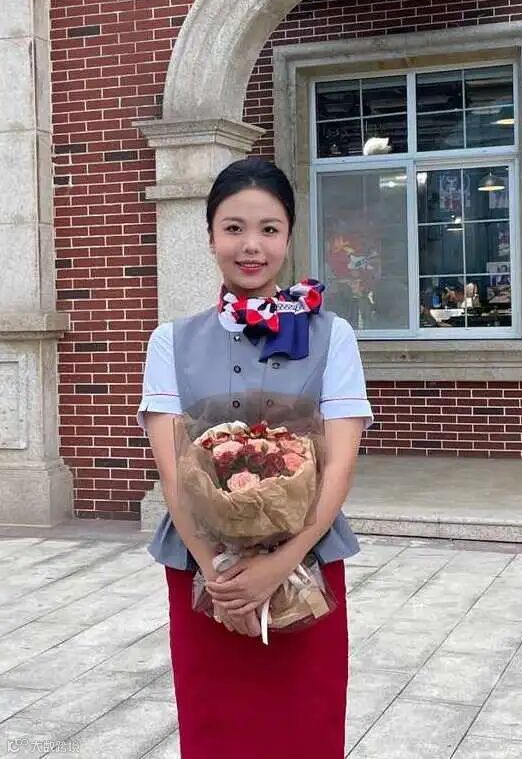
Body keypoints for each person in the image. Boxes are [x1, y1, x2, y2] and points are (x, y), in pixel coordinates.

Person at [136, 157, 373, 758]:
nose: (251, 245)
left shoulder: (332, 335)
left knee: (306, 725)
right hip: (201, 571)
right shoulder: (170, 342)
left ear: (288, 237)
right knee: (216, 726)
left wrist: (279, 564)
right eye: (233, 228)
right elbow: (174, 472)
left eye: (269, 229)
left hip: (308, 565)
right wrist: (219, 577)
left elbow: (339, 464)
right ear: (210, 236)